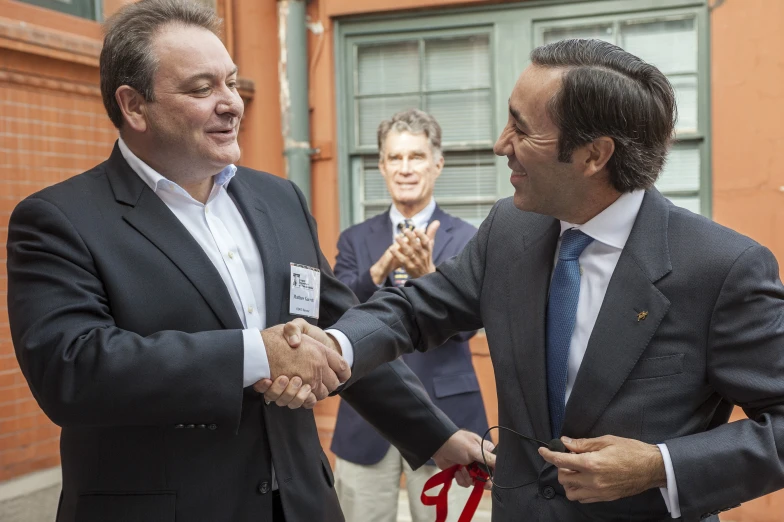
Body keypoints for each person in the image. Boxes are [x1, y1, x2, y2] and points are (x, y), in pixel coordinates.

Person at [6, 2, 491, 521]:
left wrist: (434, 434)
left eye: (232, 83)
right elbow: (72, 370)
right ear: (134, 106)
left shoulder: (279, 199)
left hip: (302, 502)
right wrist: (256, 355)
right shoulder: (59, 219)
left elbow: (337, 332)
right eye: (202, 88)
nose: (232, 103)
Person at [271, 38, 784, 521]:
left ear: (594, 155)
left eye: (522, 129)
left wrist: (660, 465)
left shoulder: (723, 268)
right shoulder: (509, 229)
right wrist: (332, 345)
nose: (501, 144)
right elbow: (411, 311)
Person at [329, 109, 488, 522]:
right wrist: (380, 268)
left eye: (415, 156)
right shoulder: (355, 240)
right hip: (367, 416)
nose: (405, 169)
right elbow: (338, 316)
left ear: (437, 163)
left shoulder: (468, 238)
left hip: (447, 413)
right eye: (394, 158)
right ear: (381, 166)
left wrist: (430, 278)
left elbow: (471, 323)